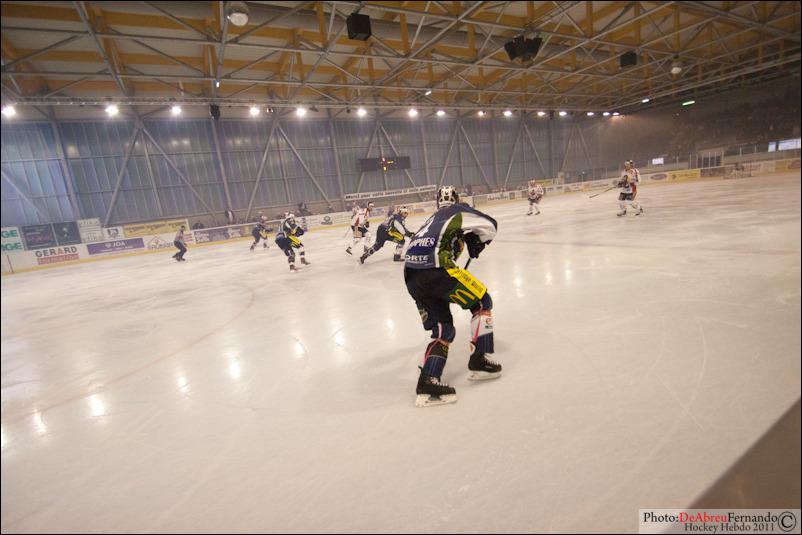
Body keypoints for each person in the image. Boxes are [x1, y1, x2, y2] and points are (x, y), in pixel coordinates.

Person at [403, 186, 501, 407]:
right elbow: (490, 225)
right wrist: (479, 241)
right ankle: (480, 360)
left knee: (443, 329)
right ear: (456, 199)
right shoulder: (458, 210)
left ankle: (428, 381)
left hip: (411, 275)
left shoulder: (431, 220)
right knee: (482, 302)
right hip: (437, 269)